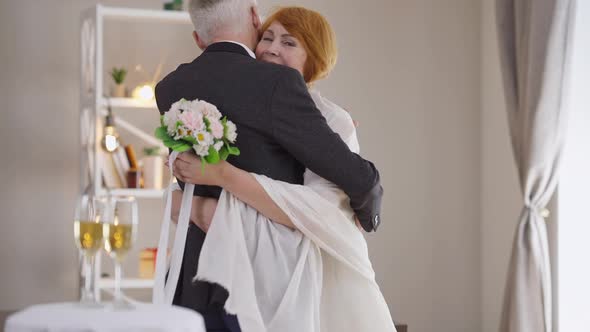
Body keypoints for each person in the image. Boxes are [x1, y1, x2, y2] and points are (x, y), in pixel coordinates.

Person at [155, 0, 384, 331]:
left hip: (252, 279)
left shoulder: (170, 88)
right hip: (231, 275)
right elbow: (359, 181)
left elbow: (320, 209)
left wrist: (205, 203)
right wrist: (367, 201)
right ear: (253, 17)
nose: (273, 48)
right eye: (268, 37)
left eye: (289, 42)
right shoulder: (274, 86)